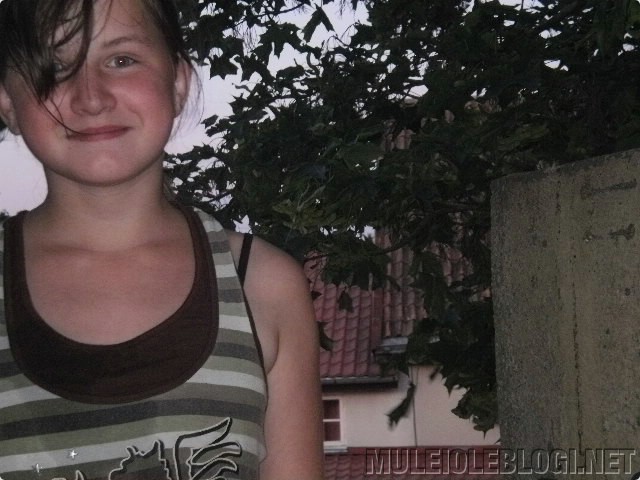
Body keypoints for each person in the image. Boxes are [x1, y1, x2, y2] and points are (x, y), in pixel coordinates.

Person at [0, 0, 324, 479]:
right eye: (54, 67)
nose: (91, 97)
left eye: (121, 59)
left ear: (178, 82)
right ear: (7, 101)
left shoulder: (262, 285)